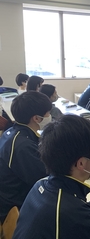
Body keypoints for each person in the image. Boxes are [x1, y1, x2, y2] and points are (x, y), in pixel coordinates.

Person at [0, 91, 52, 223]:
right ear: (36, 118)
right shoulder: (22, 146)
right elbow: (45, 179)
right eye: (48, 112)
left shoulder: (13, 132)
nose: (50, 116)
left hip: (11, 196)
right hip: (15, 206)